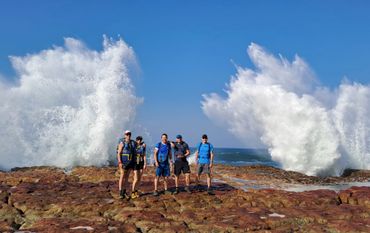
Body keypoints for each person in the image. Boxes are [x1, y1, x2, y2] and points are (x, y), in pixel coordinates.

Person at [117, 130, 137, 200]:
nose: (128, 135)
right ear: (125, 135)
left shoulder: (132, 143)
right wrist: (120, 162)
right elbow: (119, 153)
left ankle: (124, 191)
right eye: (127, 134)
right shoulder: (122, 143)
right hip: (123, 162)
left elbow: (135, 151)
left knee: (127, 177)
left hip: (130, 162)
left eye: (129, 134)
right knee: (122, 176)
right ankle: (120, 192)